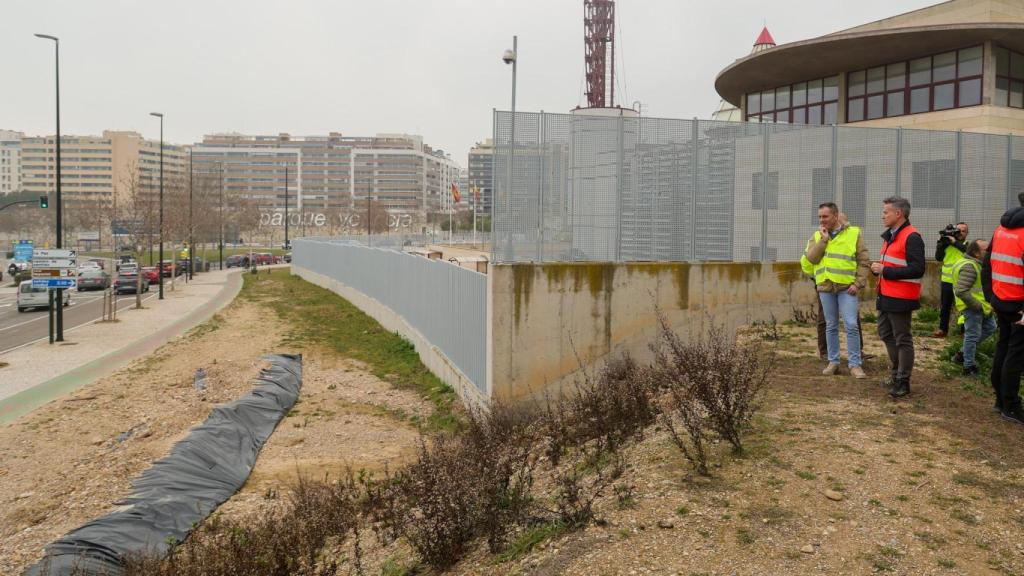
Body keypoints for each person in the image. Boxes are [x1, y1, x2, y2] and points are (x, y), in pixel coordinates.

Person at [803, 203, 871, 379]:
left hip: (847, 288)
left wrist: (858, 284)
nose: (821, 220)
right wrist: (823, 241)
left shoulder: (854, 233)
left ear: (835, 216)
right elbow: (811, 258)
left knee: (851, 324)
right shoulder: (818, 236)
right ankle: (833, 362)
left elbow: (864, 261)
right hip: (826, 287)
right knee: (831, 325)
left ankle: (855, 365)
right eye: (819, 217)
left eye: (825, 216)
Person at [870, 197, 925, 398]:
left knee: (902, 338)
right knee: (885, 333)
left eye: (886, 212)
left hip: (901, 297)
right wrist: (880, 270)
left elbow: (918, 269)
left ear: (898, 214)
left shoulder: (912, 237)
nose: (882, 215)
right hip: (886, 294)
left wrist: (886, 270)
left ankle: (903, 380)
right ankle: (896, 374)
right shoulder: (891, 236)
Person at [981, 205, 1024, 425]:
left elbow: (987, 265)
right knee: (1015, 355)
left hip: (1001, 300)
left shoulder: (1000, 229)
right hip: (1019, 306)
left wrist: (991, 296)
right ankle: (1012, 406)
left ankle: (1000, 401)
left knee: (1004, 348)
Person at [953, 240, 995, 376]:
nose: (989, 252)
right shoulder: (970, 266)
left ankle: (962, 353)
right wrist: (978, 306)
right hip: (973, 307)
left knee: (991, 328)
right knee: (972, 335)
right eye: (986, 250)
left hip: (983, 306)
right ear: (976, 253)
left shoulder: (976, 264)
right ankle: (968, 367)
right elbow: (961, 291)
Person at [934, 222, 969, 338]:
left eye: (963, 231)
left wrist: (955, 243)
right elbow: (938, 258)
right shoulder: (947, 243)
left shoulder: (967, 245)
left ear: (966, 234)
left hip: (962, 281)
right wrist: (940, 243)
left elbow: (968, 252)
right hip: (947, 280)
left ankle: (964, 331)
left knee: (964, 307)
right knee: (945, 306)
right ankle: (942, 329)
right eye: (958, 230)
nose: (960, 233)